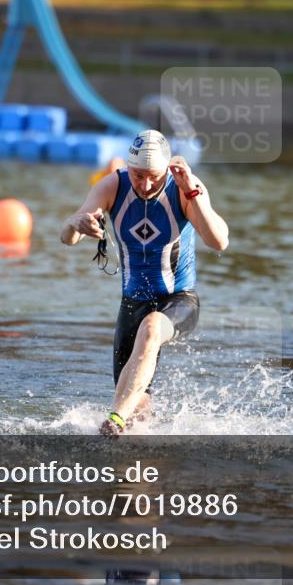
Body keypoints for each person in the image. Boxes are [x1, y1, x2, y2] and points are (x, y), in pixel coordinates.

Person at [60, 129, 229, 436]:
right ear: (128, 168)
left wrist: (193, 192)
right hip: (131, 305)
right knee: (138, 418)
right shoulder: (113, 185)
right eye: (138, 175)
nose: (146, 185)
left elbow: (219, 242)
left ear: (166, 169)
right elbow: (67, 238)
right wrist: (75, 223)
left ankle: (113, 422)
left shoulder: (184, 188)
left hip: (179, 300)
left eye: (154, 176)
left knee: (151, 328)